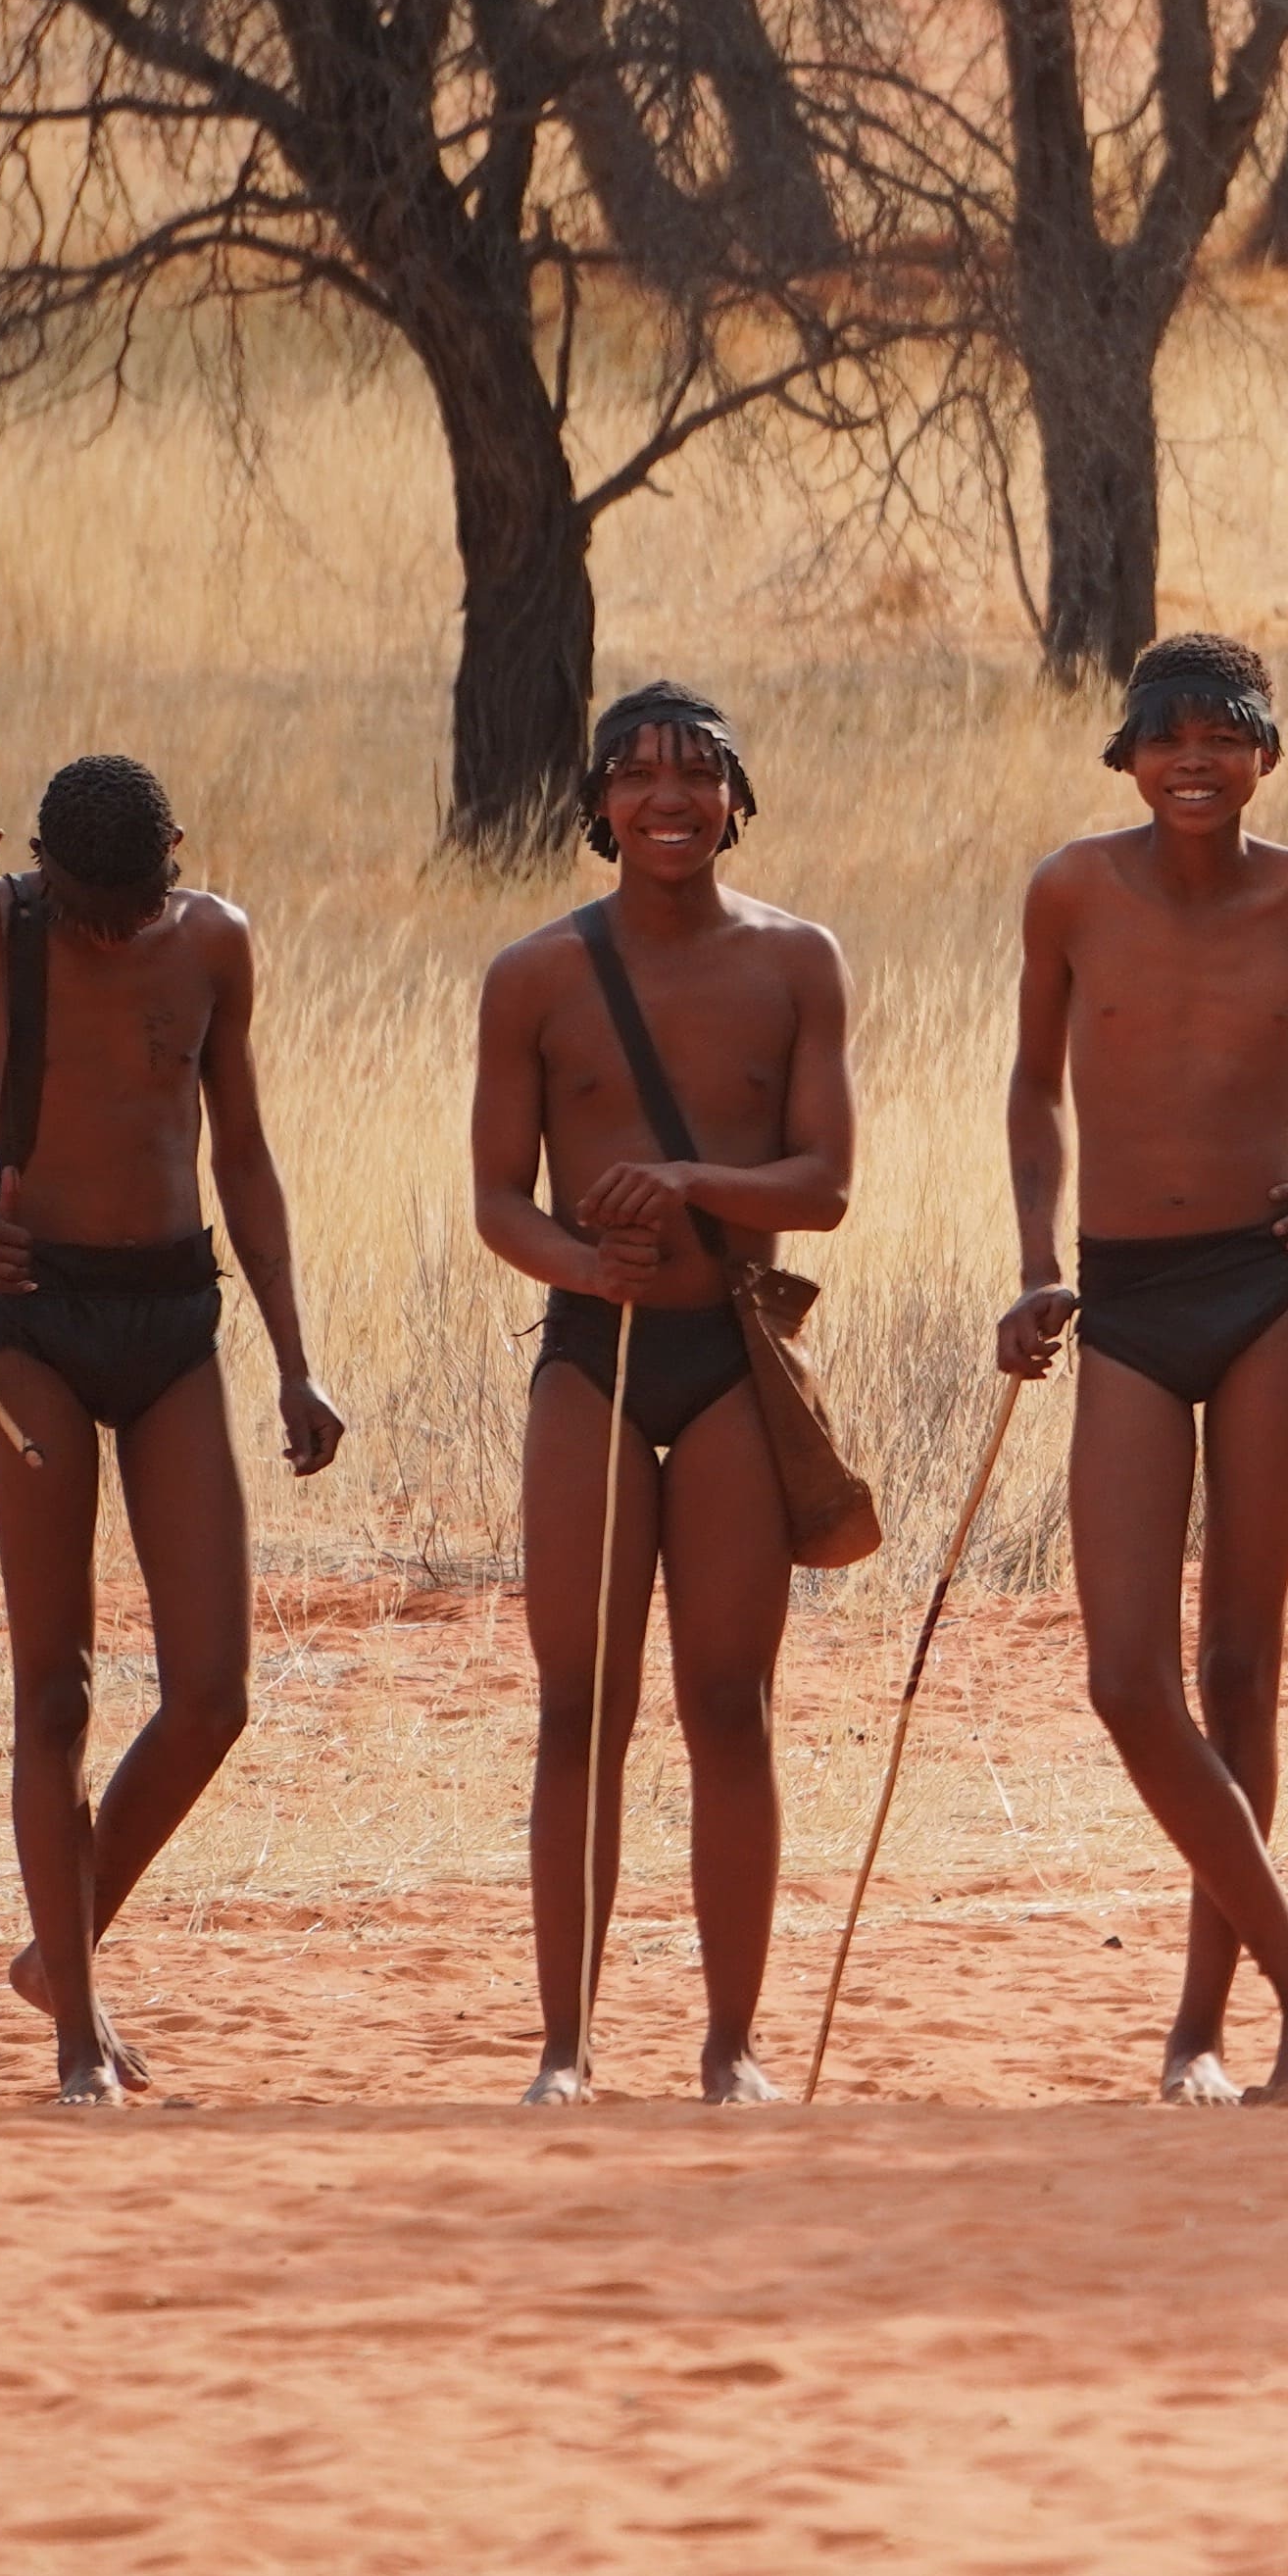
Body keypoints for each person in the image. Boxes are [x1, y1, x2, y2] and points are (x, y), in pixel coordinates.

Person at [993, 631, 1288, 2105]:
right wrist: (1032, 1261)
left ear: (1267, 754)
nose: (1194, 760)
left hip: (1267, 1291)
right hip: (1125, 1300)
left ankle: (1214, 2027)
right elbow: (1032, 1081)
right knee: (1129, 1676)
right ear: (1125, 754)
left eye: (1225, 736)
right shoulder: (1073, 888)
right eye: (1165, 736)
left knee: (1240, 1669)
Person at [0, 752, 347, 2104]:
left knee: (211, 1696)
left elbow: (240, 1146)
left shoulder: (217, 945)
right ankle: (77, 2032)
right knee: (56, 1690)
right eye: (86, 909)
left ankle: (56, 1951)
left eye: (136, 904)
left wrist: (298, 1361)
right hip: (37, 1324)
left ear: (176, 859)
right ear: (39, 874)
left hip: (174, 1316)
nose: (113, 930)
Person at [471, 683, 856, 2105]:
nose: (666, 799)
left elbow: (822, 1186)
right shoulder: (533, 977)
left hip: (731, 1369)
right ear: (598, 809)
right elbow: (496, 1201)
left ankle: (731, 2045)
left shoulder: (799, 961)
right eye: (635, 777)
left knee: (730, 1705)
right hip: (593, 1359)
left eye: (696, 775)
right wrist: (585, 1259)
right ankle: (565, 2048)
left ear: (738, 801)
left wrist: (693, 1184)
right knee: (580, 1702)